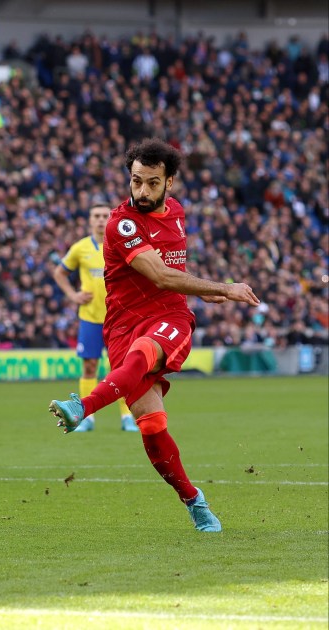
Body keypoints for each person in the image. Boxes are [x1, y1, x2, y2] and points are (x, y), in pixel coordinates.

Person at [49, 139, 260, 532]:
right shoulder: (122, 223)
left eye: (151, 183)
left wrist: (203, 291)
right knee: (151, 424)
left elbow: (173, 273)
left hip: (169, 317)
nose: (142, 191)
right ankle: (194, 500)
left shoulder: (177, 213)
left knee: (142, 355)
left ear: (170, 183)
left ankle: (82, 408)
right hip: (122, 325)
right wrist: (222, 287)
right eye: (136, 181)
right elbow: (161, 274)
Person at [51, 204, 137, 433]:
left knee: (121, 369)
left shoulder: (121, 244)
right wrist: (73, 295)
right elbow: (59, 272)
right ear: (89, 221)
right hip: (90, 318)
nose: (100, 220)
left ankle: (127, 416)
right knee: (90, 367)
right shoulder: (80, 248)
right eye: (96, 216)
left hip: (118, 318)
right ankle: (86, 417)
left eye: (104, 216)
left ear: (111, 219)